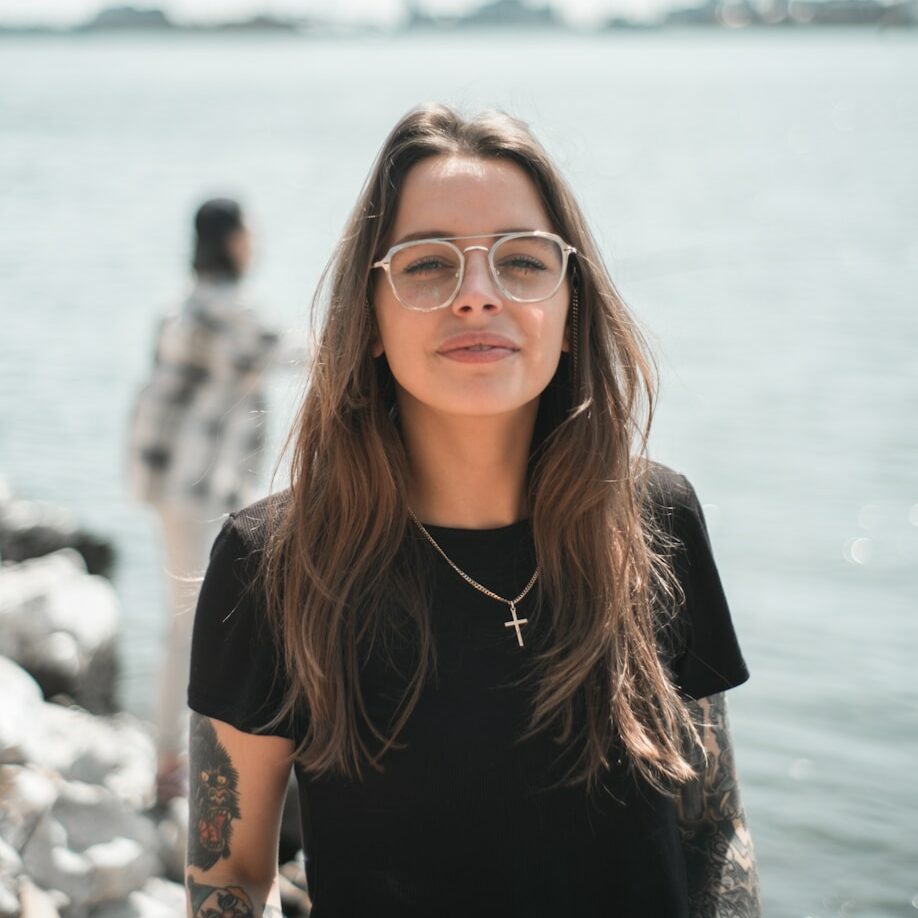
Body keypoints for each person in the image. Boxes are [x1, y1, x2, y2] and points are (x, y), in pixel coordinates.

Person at [184, 105, 762, 918]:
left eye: (523, 262)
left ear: (571, 313)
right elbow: (230, 874)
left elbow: (713, 825)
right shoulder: (270, 565)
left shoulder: (656, 522)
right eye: (428, 265)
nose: (478, 296)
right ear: (372, 318)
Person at [127, 197, 301, 805]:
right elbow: (307, 354)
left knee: (182, 621)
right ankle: (178, 766)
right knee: (194, 626)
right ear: (232, 241)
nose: (256, 243)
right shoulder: (229, 312)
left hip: (168, 480)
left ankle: (170, 759)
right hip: (199, 487)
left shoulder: (181, 306)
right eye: (250, 234)